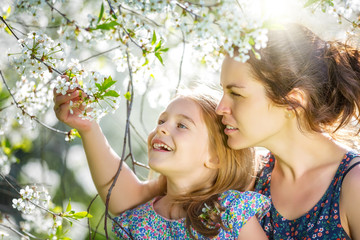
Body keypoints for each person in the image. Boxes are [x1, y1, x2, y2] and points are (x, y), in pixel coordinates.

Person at [53, 87, 270, 239]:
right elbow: (119, 192)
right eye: (162, 120)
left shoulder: (229, 212)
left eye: (182, 125)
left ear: (215, 158)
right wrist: (87, 126)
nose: (162, 128)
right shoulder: (139, 221)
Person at [215, 23, 360, 239]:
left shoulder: (353, 185)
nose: (220, 108)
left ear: (293, 101)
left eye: (236, 94)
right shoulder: (251, 177)